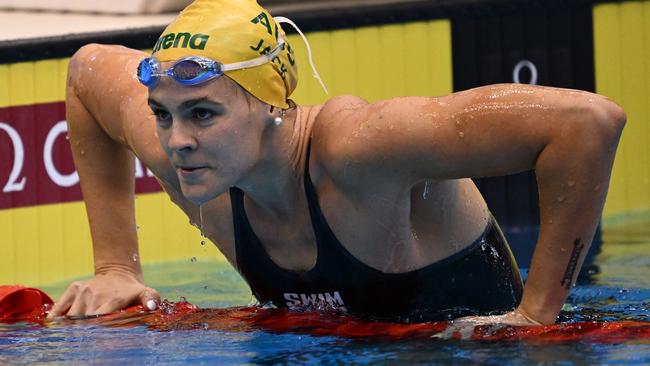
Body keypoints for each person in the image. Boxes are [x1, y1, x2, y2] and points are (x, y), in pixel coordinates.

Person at [48, 0, 626, 325]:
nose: (177, 141)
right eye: (164, 114)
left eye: (203, 114)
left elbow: (587, 124)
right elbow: (86, 71)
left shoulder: (361, 148)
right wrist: (115, 268)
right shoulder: (185, 157)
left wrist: (537, 315)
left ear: (272, 101)